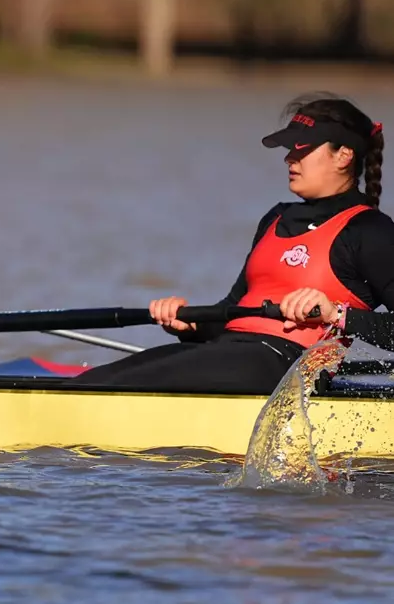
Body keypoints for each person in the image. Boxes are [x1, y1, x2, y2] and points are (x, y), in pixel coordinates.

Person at [77, 93, 394, 393]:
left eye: (302, 148)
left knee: (115, 386)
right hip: (231, 352)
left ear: (344, 155)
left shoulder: (369, 230)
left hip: (287, 368)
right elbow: (233, 310)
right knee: (96, 379)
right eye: (289, 148)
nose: (289, 158)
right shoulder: (276, 218)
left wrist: (336, 315)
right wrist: (190, 323)